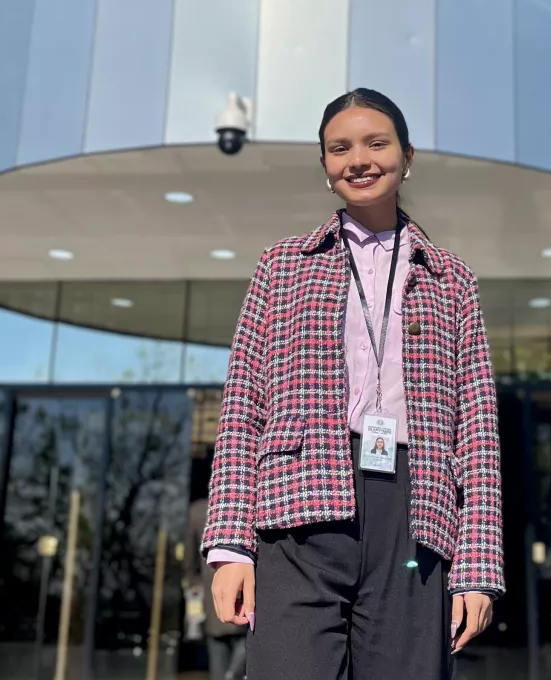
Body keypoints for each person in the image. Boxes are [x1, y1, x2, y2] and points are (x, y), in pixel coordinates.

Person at [200, 88, 505, 680]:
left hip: (414, 516)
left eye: (376, 143)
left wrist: (477, 567)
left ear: (406, 155)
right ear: (324, 166)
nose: (358, 160)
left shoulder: (451, 280)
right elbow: (242, 409)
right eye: (339, 148)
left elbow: (478, 434)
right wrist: (231, 546)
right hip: (298, 509)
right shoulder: (281, 266)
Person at [184, 498, 247, 680]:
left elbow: (189, 562)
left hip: (215, 595)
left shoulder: (198, 511)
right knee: (242, 657)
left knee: (220, 660)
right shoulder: (244, 503)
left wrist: (194, 584)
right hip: (244, 595)